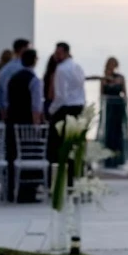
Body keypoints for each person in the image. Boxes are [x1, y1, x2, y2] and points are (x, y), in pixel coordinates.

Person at [6, 48, 44, 202]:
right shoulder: (34, 80)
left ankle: (10, 191)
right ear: (35, 61)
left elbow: (6, 101)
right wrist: (36, 126)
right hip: (26, 124)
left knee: (12, 157)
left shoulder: (12, 78)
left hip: (12, 122)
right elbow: (36, 106)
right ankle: (27, 192)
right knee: (29, 156)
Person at [47, 42, 86, 179]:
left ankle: (59, 179)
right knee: (74, 145)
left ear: (65, 53)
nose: (56, 56)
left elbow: (60, 96)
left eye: (59, 53)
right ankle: (74, 177)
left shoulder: (62, 69)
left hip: (65, 110)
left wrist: (50, 111)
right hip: (78, 109)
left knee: (58, 146)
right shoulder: (78, 67)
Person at [96, 57, 128, 169]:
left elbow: (125, 93)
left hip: (118, 107)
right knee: (109, 132)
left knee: (118, 132)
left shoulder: (120, 77)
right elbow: (101, 94)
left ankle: (118, 158)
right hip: (108, 108)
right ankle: (107, 158)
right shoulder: (104, 79)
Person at [0, 39, 30, 121]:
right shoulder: (22, 68)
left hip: (8, 111)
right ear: (23, 50)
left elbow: (0, 92)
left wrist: (3, 110)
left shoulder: (5, 68)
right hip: (20, 111)